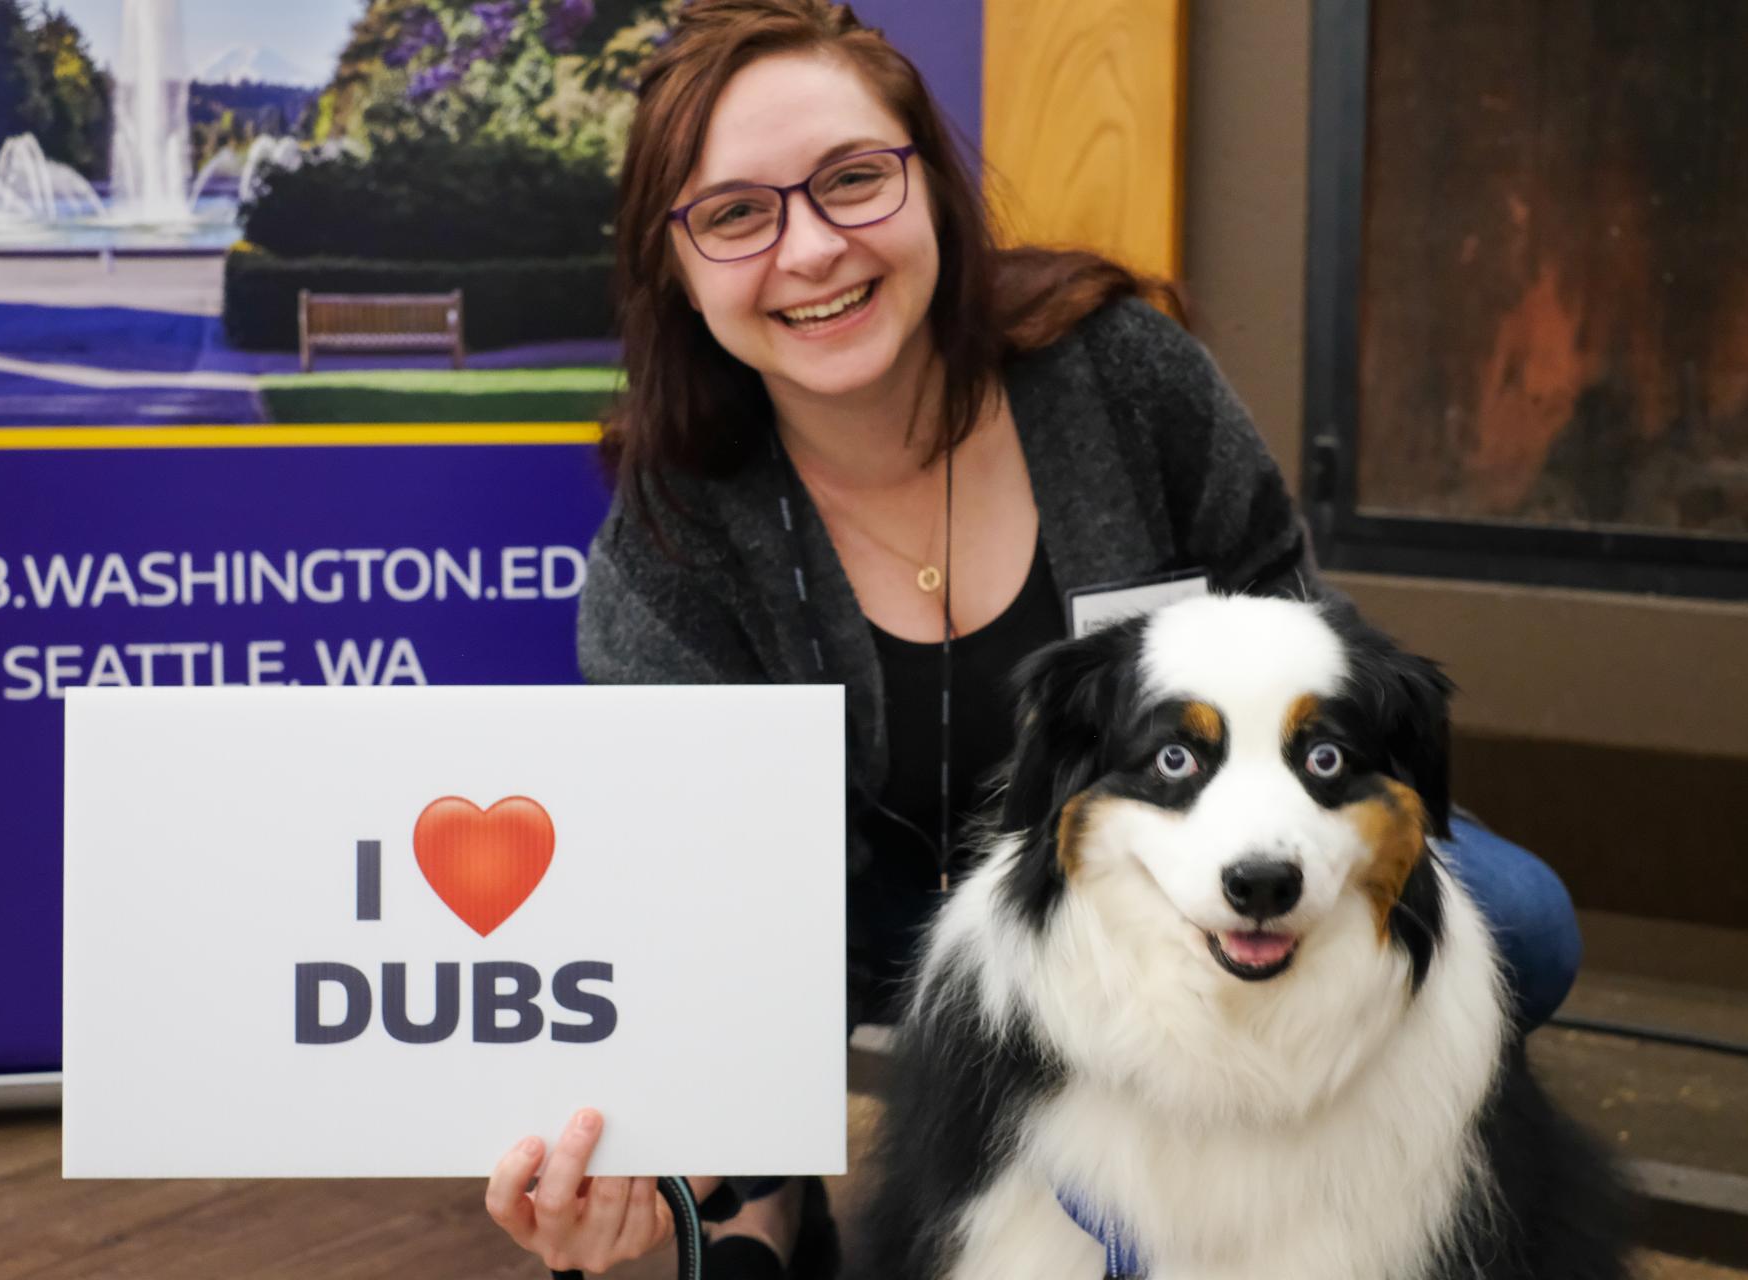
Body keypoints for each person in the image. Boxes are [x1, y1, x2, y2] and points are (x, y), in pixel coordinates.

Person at [483, 0, 1583, 1275]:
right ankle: (765, 1217)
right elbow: (686, 904)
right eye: (735, 213)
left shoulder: (1122, 374)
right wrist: (671, 1170)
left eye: (853, 179)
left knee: (1514, 916)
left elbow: (1295, 641)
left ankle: (1306, 1178)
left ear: (933, 188)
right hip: (856, 912)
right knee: (729, 1024)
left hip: (1154, 843)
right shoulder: (673, 541)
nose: (812, 248)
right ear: (673, 264)